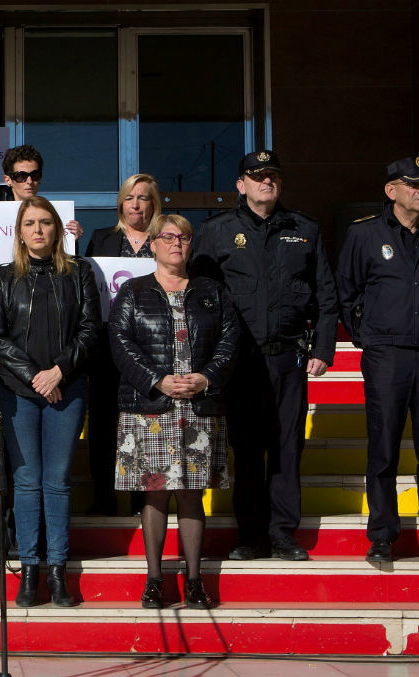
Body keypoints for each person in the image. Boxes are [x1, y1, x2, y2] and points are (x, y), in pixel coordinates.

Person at [191, 150, 340, 562]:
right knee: (247, 448)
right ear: (241, 185)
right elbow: (200, 298)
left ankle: (283, 534)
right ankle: (251, 535)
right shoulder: (217, 231)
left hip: (288, 359)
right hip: (239, 362)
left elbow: (327, 296)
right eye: (257, 177)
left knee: (286, 448)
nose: (266, 182)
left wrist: (324, 348)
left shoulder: (304, 230)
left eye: (272, 175)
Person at [337, 156, 419, 564]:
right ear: (391, 190)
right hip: (387, 355)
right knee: (383, 448)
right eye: (412, 184)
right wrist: (369, 338)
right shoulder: (365, 235)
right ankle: (382, 535)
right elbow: (348, 292)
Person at [107, 214, 238, 610]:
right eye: (168, 236)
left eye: (184, 236)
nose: (176, 243)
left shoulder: (211, 291)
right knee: (155, 494)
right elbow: (120, 342)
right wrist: (156, 380)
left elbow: (230, 341)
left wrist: (206, 377)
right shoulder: (132, 291)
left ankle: (195, 580)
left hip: (198, 406)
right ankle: (154, 580)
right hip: (150, 407)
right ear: (153, 244)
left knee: (191, 494)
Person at [0, 197, 100, 607]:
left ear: (57, 229)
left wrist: (59, 371)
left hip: (66, 390)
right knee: (28, 479)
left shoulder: (80, 273)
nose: (38, 230)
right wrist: (37, 376)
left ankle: (57, 573)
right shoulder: (3, 276)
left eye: (45, 223)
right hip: (19, 392)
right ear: (19, 230)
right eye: (30, 223)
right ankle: (29, 572)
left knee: (58, 480)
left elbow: (89, 330)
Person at [83, 173, 163, 517]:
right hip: (105, 349)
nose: (136, 204)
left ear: (154, 204)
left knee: (145, 424)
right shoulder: (101, 239)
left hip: (151, 350)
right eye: (130, 197)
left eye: (144, 198)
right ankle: (103, 496)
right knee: (102, 424)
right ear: (120, 203)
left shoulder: (164, 239)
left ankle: (141, 500)